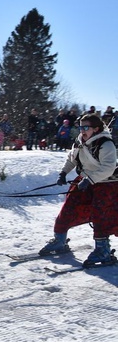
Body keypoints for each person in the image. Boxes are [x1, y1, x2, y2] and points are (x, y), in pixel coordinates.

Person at [39, 114, 118, 267]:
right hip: (85, 180)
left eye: (86, 127)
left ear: (96, 129)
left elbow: (108, 168)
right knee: (68, 207)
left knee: (101, 214)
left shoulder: (105, 144)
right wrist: (64, 172)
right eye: (80, 127)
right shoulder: (80, 141)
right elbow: (72, 158)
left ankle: (103, 250)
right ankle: (59, 240)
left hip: (106, 183)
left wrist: (90, 180)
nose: (82, 130)